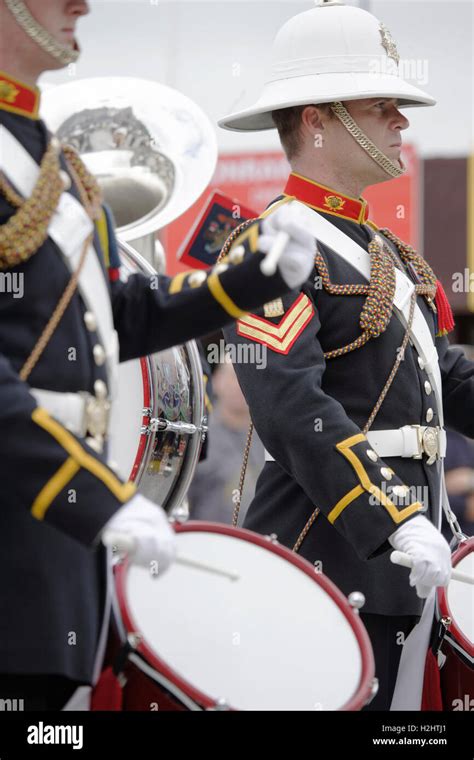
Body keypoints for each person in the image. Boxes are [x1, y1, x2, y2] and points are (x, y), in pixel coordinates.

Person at [0, 0, 317, 710]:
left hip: (57, 540)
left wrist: (249, 280)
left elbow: (117, 313)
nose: (82, 4)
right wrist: (92, 498)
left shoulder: (46, 160)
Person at [219, 0, 474, 710]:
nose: (403, 121)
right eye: (383, 105)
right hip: (327, 555)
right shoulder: (270, 247)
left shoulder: (387, 251)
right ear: (317, 120)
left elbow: (447, 379)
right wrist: (392, 516)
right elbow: (292, 408)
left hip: (413, 557)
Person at [188, 357, 264, 524]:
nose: (240, 385)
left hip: (257, 544)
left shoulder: (270, 438)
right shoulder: (197, 437)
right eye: (233, 376)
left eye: (247, 377)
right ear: (216, 381)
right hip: (208, 542)